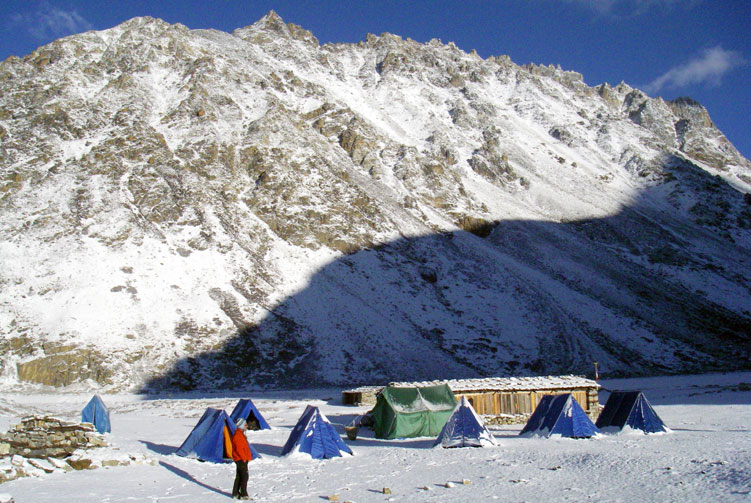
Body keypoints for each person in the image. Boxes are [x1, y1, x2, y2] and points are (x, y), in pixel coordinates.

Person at [231, 417, 252, 500]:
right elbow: (239, 448)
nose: (246, 426)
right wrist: (244, 458)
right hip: (240, 459)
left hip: (240, 458)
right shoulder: (238, 435)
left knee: (239, 476)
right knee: (244, 476)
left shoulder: (240, 434)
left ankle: (235, 493)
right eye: (245, 425)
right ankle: (243, 494)